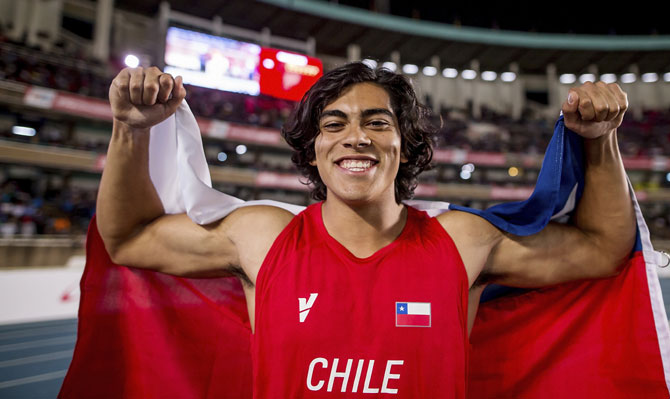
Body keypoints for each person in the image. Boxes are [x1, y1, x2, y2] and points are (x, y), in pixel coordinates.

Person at [97, 62, 635, 397]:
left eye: (378, 122)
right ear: (315, 149)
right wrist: (129, 128)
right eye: (334, 124)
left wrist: (600, 139)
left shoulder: (461, 242)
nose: (355, 137)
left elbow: (602, 248)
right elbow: (128, 238)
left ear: (406, 145)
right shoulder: (262, 238)